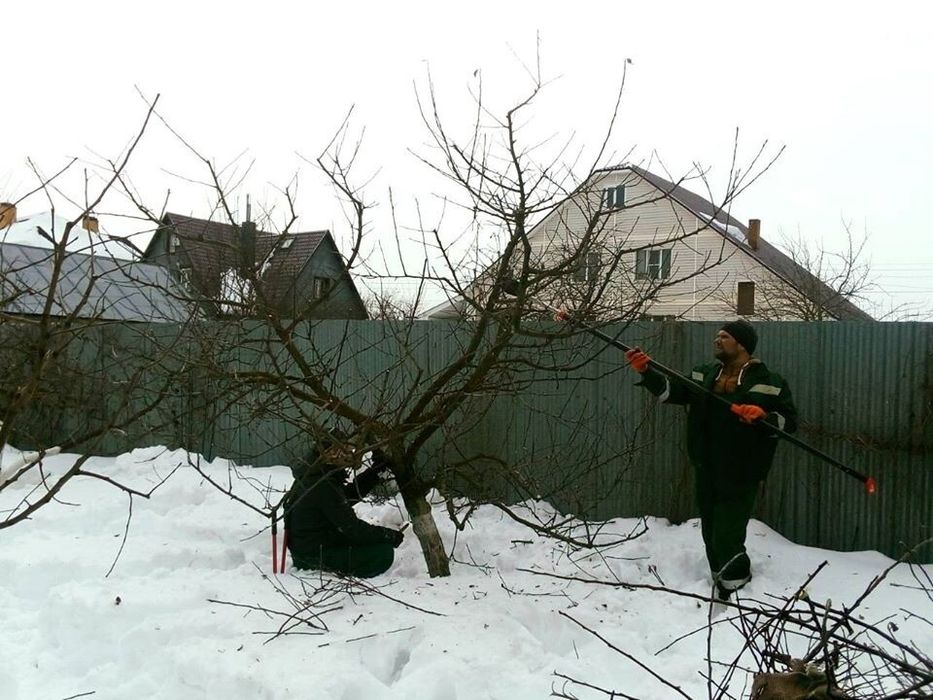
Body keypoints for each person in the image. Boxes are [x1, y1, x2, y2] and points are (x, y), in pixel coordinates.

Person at [624, 320, 798, 600]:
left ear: (741, 344)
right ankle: (722, 581)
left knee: (726, 534)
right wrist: (646, 371)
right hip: (705, 464)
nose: (716, 340)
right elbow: (674, 392)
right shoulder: (703, 374)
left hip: (743, 469)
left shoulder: (770, 382)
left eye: (724, 336)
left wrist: (763, 416)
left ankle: (738, 586)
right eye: (717, 336)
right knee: (710, 530)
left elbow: (790, 422)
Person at [283, 433, 404, 578]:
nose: (349, 455)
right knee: (383, 553)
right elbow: (352, 528)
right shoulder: (322, 485)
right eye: (345, 451)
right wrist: (388, 535)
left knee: (371, 544)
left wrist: (375, 472)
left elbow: (345, 497)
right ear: (332, 452)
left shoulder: (314, 475)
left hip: (313, 545)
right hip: (312, 557)